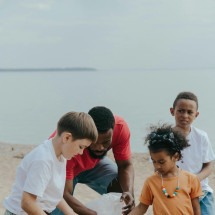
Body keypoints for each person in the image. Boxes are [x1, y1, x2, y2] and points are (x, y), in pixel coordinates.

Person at [4, 111, 98, 215]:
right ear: (66, 138)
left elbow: (54, 195)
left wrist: (70, 213)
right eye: (81, 147)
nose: (81, 152)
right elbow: (27, 203)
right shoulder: (43, 160)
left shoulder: (61, 156)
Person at [51, 106, 135, 215]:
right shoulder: (69, 145)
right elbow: (65, 194)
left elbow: (125, 165)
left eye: (105, 142)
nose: (100, 147)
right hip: (63, 167)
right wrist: (90, 213)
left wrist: (128, 192)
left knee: (121, 188)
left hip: (92, 164)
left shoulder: (120, 128)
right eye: (94, 141)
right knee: (56, 207)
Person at [129, 123, 202, 215]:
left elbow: (196, 209)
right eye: (154, 161)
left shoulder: (191, 179)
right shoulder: (151, 182)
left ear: (176, 156)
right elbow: (141, 207)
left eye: (161, 162)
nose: (157, 166)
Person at [170, 91, 215, 214]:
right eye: (181, 110)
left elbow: (208, 165)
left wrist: (195, 179)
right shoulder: (165, 137)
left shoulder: (201, 136)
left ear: (196, 114)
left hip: (202, 192)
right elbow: (157, 165)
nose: (185, 115)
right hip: (176, 192)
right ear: (172, 111)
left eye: (190, 112)